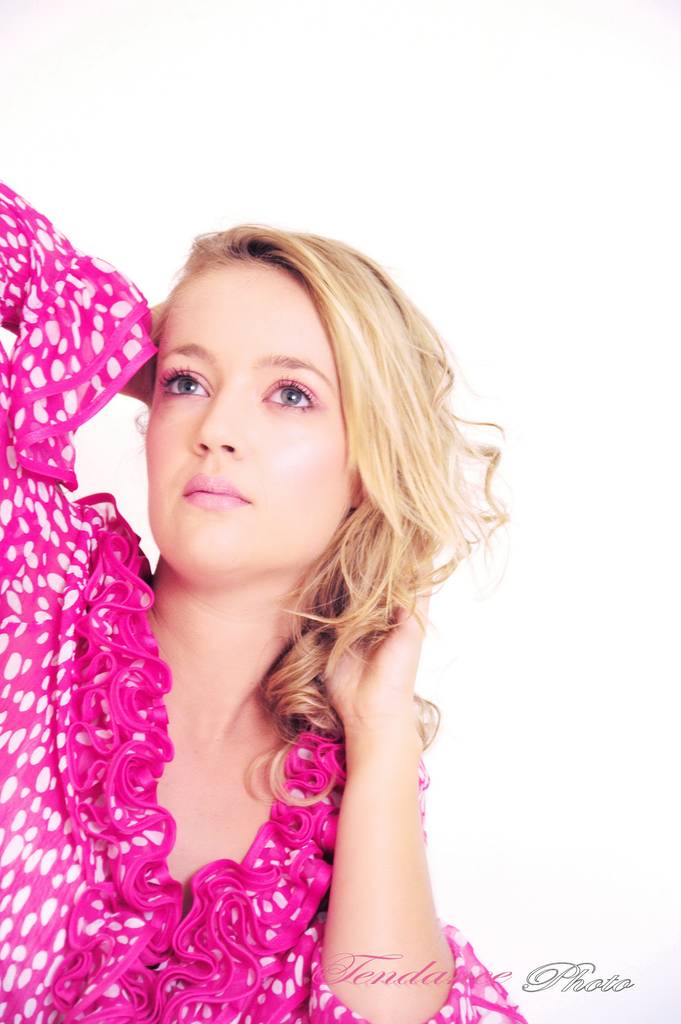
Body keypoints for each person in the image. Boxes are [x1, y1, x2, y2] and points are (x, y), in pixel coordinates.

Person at [0, 179, 528, 1024]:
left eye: (290, 395)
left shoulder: (345, 781)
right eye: (186, 384)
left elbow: (389, 1009)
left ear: (370, 463)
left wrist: (383, 730)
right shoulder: (36, 590)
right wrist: (121, 342)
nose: (215, 430)